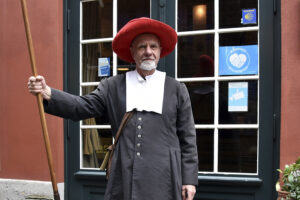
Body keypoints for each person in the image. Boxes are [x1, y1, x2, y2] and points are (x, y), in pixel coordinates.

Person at [28, 17, 198, 200]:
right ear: (132, 52)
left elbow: (187, 137)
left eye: (153, 46)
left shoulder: (176, 89)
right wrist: (47, 92)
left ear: (160, 51)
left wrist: (189, 179)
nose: (148, 51)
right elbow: (82, 107)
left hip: (165, 177)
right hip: (124, 176)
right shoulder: (113, 86)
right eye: (142, 47)